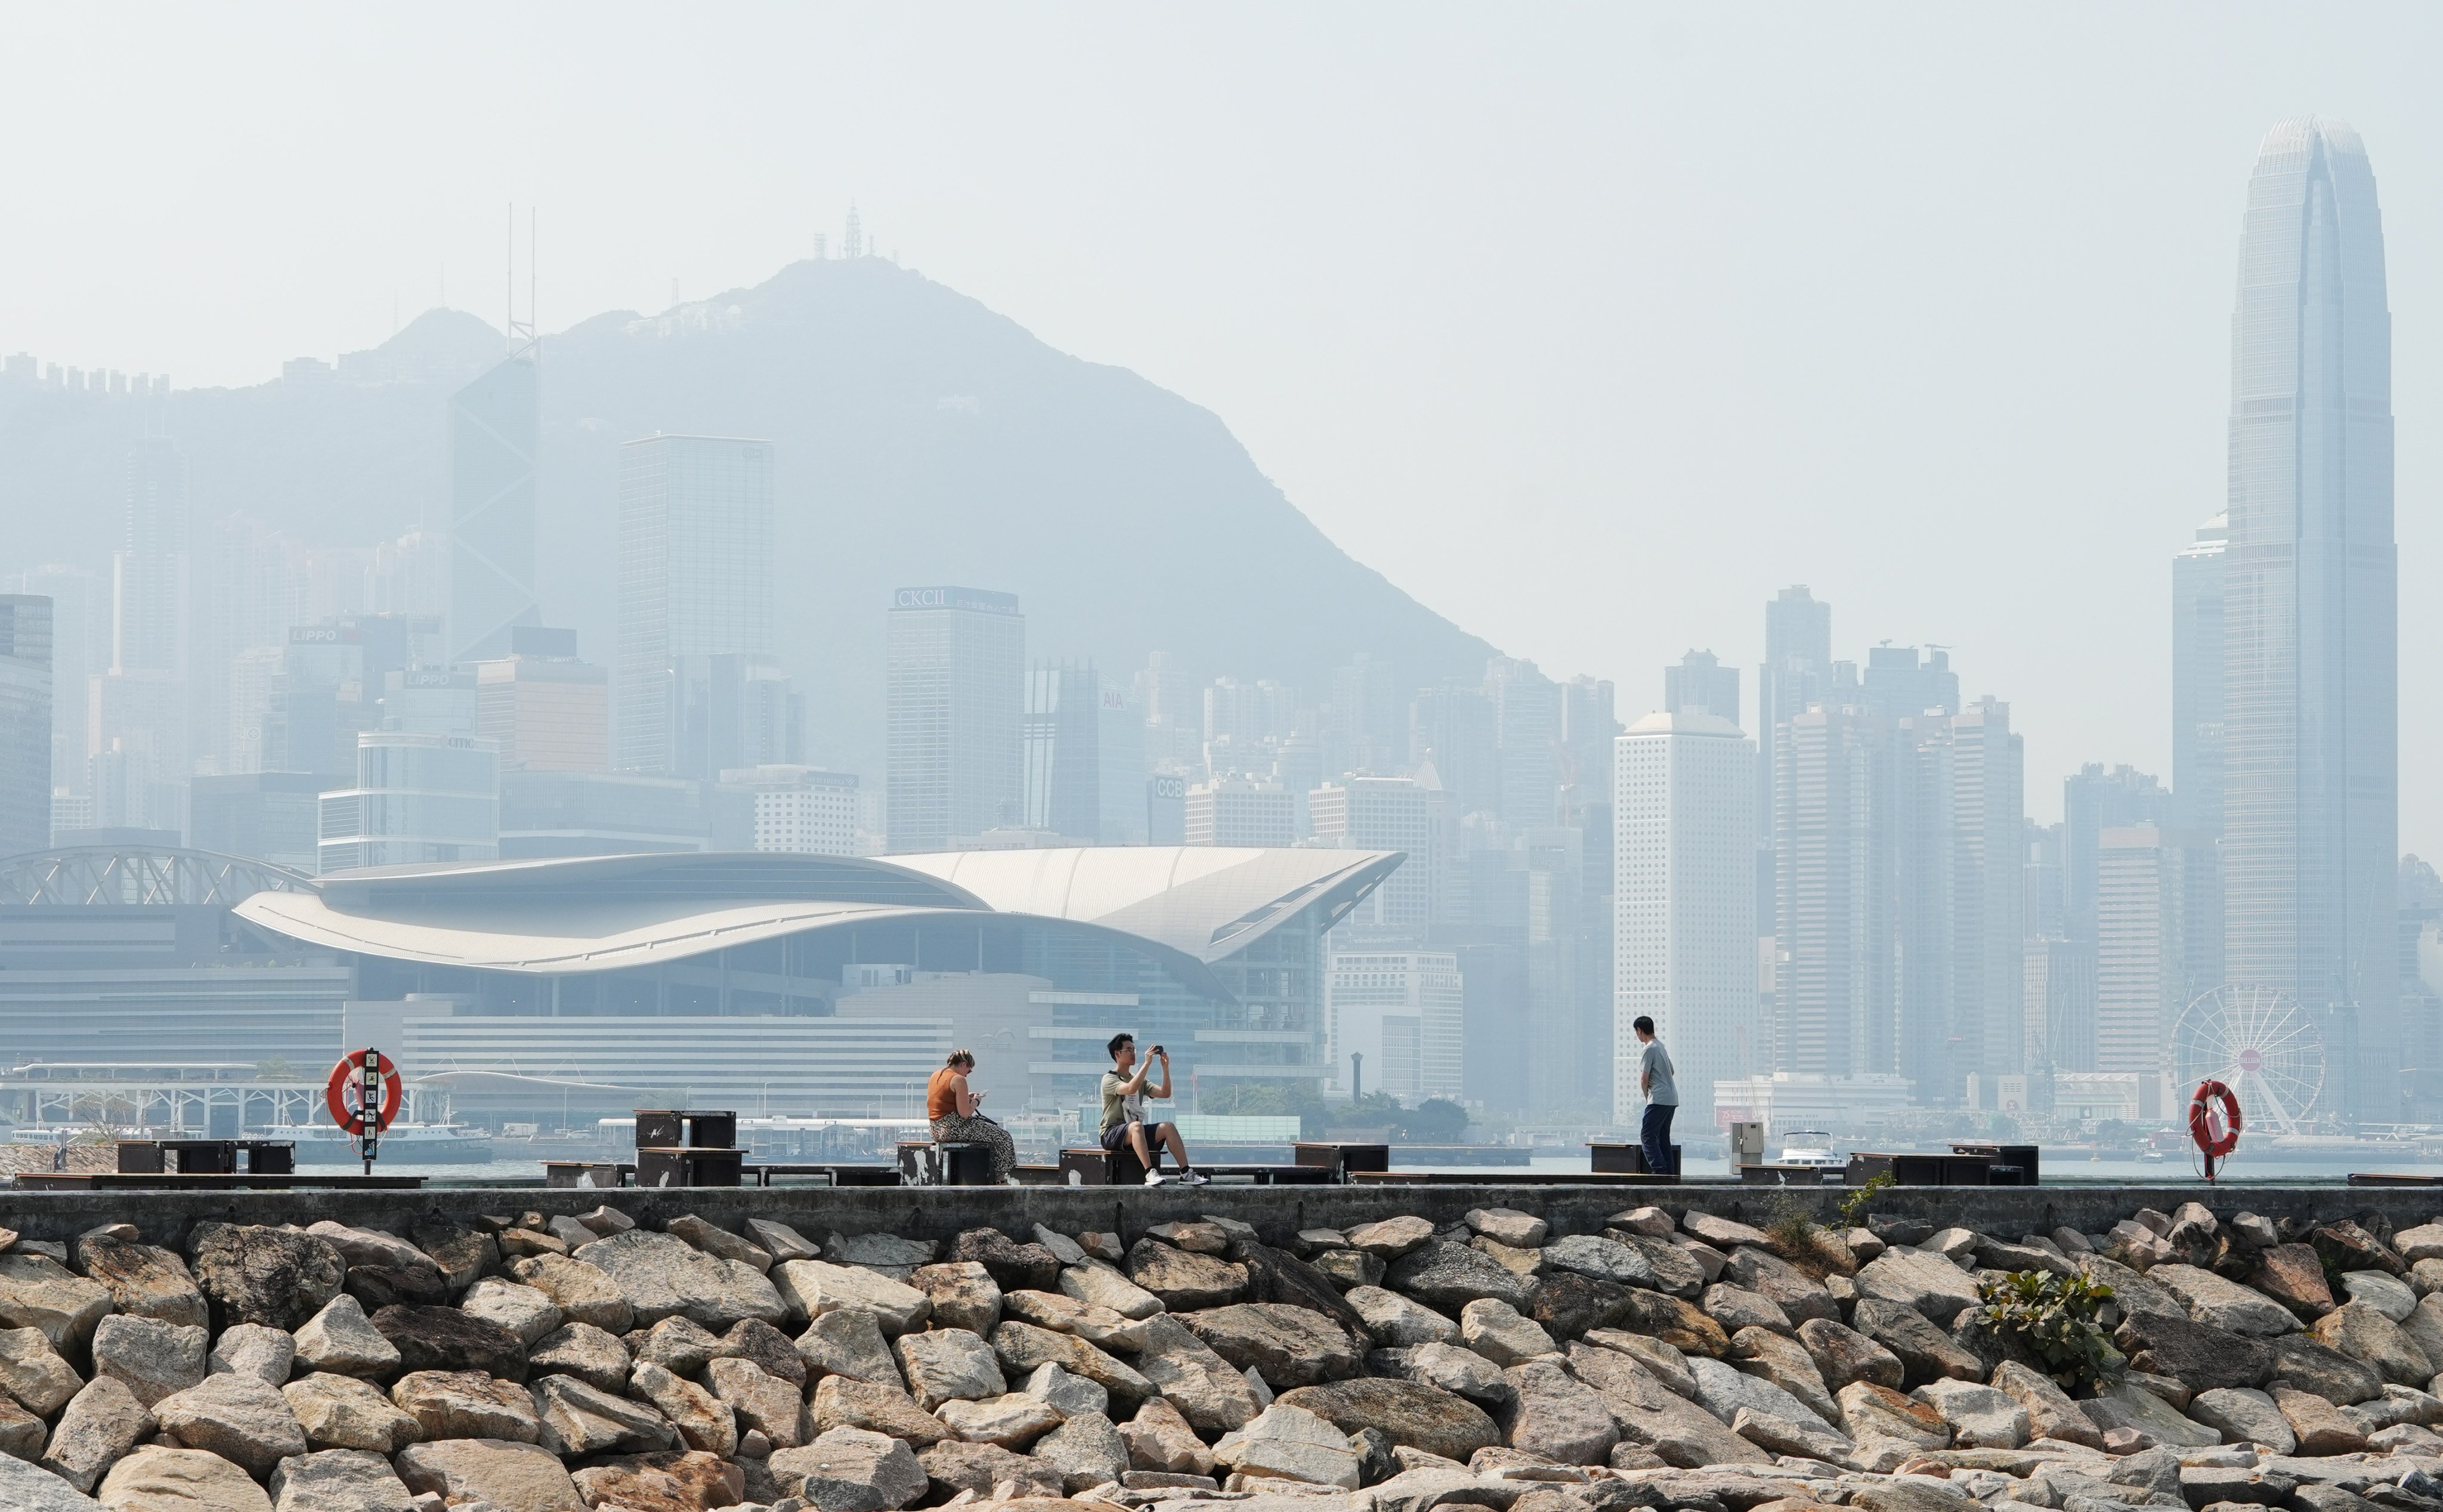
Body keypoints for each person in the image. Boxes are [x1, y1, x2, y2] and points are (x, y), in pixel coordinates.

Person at [1100, 1032, 1203, 1185]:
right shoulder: (1110, 1079)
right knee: (1136, 1126)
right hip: (1111, 1134)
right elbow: (1130, 1088)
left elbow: (1165, 1093)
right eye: (1128, 1050)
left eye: (1134, 1050)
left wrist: (1165, 1069)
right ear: (1117, 1054)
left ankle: (1186, 1174)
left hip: (1136, 1133)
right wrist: (1147, 1063)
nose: (1133, 1053)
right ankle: (1150, 1172)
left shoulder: (1140, 1080)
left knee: (1168, 1127)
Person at [926, 1049, 1018, 1185]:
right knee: (1003, 1137)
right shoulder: (958, 1079)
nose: (967, 1075)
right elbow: (965, 1113)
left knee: (994, 1134)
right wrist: (977, 1101)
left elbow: (944, 1102)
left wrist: (966, 1098)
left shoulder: (936, 1075)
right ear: (963, 1064)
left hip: (936, 1129)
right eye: (969, 1070)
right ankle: (1000, 1181)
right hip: (952, 1128)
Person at [1632, 1015, 1678, 1177]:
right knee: (1663, 1136)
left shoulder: (1649, 1048)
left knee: (1647, 1135)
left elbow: (1644, 1079)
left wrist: (1647, 1098)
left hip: (1658, 1098)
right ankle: (1669, 1173)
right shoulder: (1660, 1046)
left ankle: (1659, 1170)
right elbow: (1672, 1071)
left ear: (1639, 1030)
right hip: (1672, 1098)